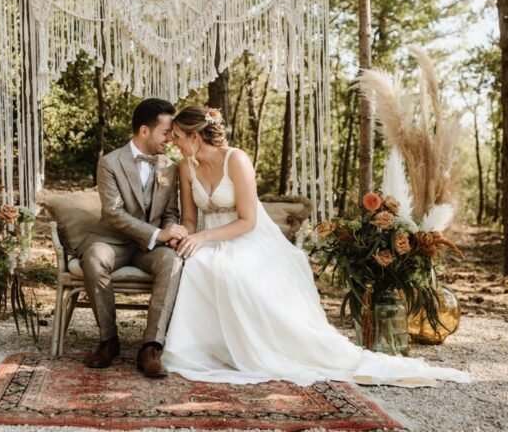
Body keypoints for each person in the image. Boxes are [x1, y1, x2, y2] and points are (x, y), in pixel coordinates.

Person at [160, 105, 472, 387]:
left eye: (176, 136)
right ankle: (206, 348)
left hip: (245, 238)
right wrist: (182, 233)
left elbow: (248, 221)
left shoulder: (236, 161)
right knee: (196, 263)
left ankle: (250, 347)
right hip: (209, 238)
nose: (173, 141)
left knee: (223, 268)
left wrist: (201, 238)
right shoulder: (186, 167)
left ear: (195, 136)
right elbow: (190, 218)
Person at [79, 98, 187, 378]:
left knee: (173, 262)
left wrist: (171, 233)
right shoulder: (110, 162)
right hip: (113, 241)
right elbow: (113, 213)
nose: (170, 140)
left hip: (151, 248)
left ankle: (150, 347)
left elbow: (171, 212)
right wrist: (157, 233)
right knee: (93, 257)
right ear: (144, 131)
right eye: (166, 133)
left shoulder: (170, 167)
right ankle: (108, 340)